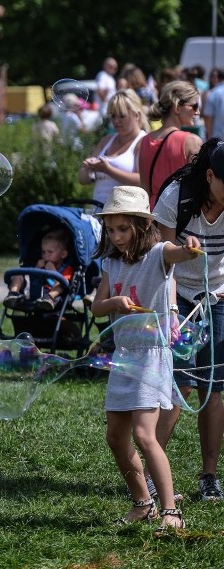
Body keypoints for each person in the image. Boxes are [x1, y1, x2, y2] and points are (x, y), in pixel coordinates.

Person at [91, 185, 196, 534]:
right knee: (115, 438)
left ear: (141, 225)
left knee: (144, 434)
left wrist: (188, 249)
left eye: (123, 228)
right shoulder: (111, 263)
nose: (116, 236)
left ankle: (171, 510)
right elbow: (96, 306)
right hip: (124, 355)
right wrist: (114, 303)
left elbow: (177, 254)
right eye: (110, 229)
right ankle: (142, 503)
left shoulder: (157, 254)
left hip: (151, 354)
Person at [153, 138, 224, 502]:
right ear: (210, 175)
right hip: (176, 293)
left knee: (214, 385)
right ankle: (152, 474)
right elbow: (162, 261)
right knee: (178, 387)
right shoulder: (177, 198)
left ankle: (209, 477)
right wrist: (173, 312)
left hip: (218, 296)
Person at [136, 81, 203, 208]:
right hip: (179, 217)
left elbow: (146, 190)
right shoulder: (191, 142)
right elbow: (199, 188)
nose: (197, 112)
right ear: (177, 107)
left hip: (152, 213)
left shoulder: (144, 141)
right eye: (194, 106)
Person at [78, 89, 147, 206]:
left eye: (122, 116)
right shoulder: (107, 140)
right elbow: (83, 180)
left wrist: (108, 170)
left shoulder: (143, 141)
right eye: (113, 116)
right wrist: (87, 168)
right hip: (99, 212)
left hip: (126, 214)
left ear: (137, 115)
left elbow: (143, 181)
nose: (116, 121)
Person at [3, 228, 74, 311]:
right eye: (43, 252)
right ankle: (13, 293)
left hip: (53, 296)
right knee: (18, 274)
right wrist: (37, 269)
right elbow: (31, 279)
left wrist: (53, 272)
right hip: (33, 291)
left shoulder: (67, 269)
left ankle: (49, 298)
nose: (45, 255)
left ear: (63, 254)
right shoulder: (40, 264)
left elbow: (66, 284)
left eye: (50, 252)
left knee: (61, 284)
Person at [203, 70, 224, 139]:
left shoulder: (214, 93)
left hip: (218, 138)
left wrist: (209, 136)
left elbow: (208, 117)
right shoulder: (211, 92)